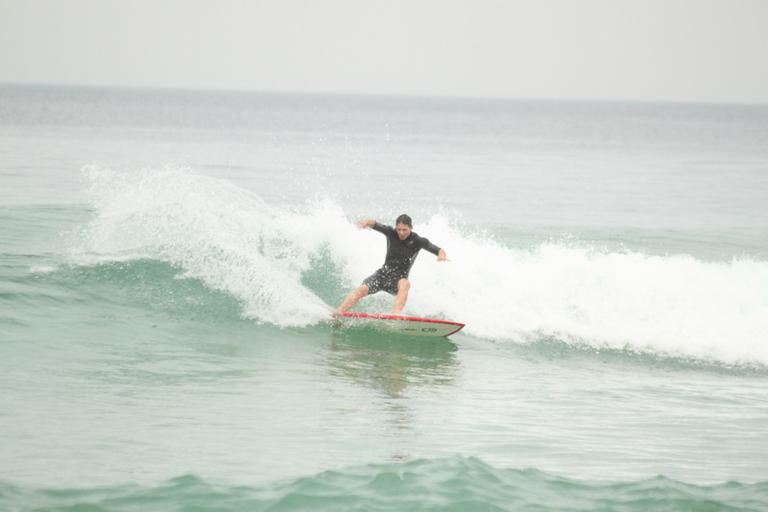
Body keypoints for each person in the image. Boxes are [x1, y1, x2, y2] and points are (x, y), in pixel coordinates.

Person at [337, 214, 448, 314]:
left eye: (405, 229)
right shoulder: (391, 233)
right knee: (361, 289)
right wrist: (366, 222)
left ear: (411, 228)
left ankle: (395, 315)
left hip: (398, 281)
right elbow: (375, 224)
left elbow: (439, 250)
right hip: (382, 275)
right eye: (399, 229)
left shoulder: (418, 241)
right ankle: (338, 312)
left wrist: (441, 256)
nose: (401, 232)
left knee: (405, 283)